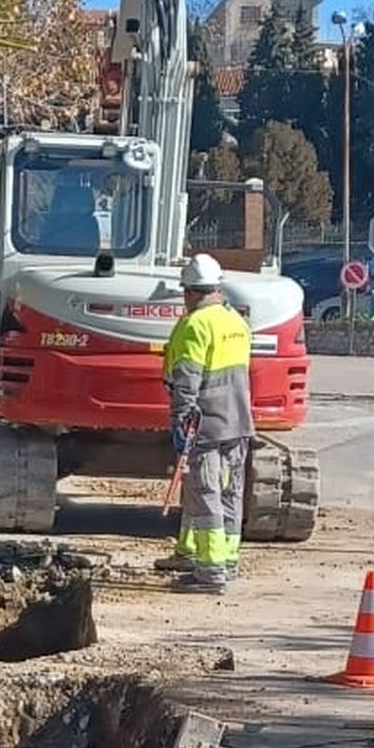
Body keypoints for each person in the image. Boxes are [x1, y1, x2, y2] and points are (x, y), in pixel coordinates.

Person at [158, 252, 253, 594]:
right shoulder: (236, 322)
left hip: (206, 425)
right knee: (229, 492)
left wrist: (181, 420)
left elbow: (187, 379)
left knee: (205, 493)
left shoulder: (195, 324)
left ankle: (210, 572)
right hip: (239, 422)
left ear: (190, 291)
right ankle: (225, 561)